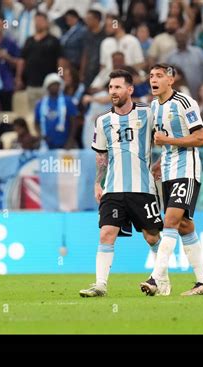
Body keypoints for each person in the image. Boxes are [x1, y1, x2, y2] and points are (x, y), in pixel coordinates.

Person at [79, 69, 163, 297]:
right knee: (106, 233)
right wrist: (98, 183)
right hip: (113, 189)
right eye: (110, 88)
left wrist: (161, 162)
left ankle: (161, 278)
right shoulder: (103, 121)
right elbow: (101, 157)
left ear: (130, 89)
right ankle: (100, 285)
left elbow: (167, 138)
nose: (113, 92)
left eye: (117, 87)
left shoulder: (148, 114)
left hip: (143, 188)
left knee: (152, 236)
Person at [141, 63, 203, 297]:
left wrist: (169, 140)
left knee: (170, 220)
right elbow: (164, 143)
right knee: (184, 225)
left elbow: (201, 138)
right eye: (151, 76)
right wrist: (160, 162)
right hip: (169, 171)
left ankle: (156, 278)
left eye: (160, 76)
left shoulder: (185, 102)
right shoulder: (154, 106)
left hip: (187, 170)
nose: (154, 79)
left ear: (170, 80)